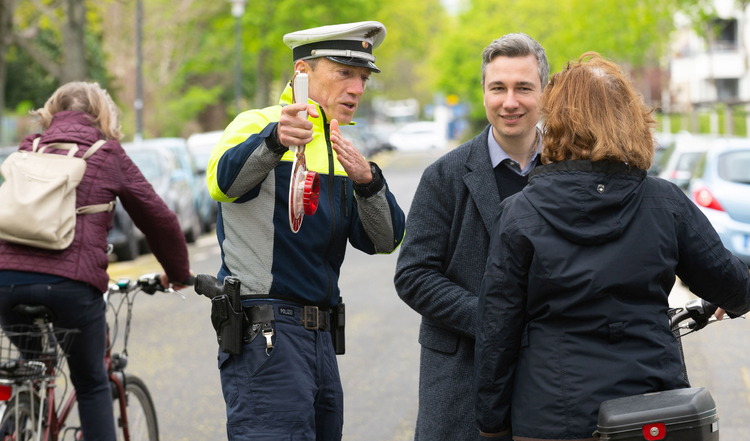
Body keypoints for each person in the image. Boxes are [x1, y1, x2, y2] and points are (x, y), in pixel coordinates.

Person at [473, 52, 750, 441]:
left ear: (554, 122)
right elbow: (734, 286)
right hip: (654, 412)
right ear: (630, 119)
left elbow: (498, 331)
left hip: (551, 416)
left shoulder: (520, 213)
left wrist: (492, 423)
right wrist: (732, 299)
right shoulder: (664, 202)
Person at [205, 21, 406, 441]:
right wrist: (274, 140)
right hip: (267, 335)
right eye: (344, 73)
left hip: (320, 339)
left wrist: (368, 182)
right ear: (302, 73)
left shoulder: (338, 147)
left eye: (363, 78)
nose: (357, 89)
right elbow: (222, 183)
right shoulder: (255, 123)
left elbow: (384, 241)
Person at [0, 81, 192, 441]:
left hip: (5, 280)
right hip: (70, 287)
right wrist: (177, 272)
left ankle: (20, 417)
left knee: (33, 367)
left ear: (51, 111)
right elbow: (157, 218)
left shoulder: (30, 147)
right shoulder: (107, 153)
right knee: (90, 382)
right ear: (102, 114)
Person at [394, 33, 549, 441]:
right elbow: (413, 275)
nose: (509, 101)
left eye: (523, 88)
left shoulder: (570, 170)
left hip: (552, 377)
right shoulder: (443, 176)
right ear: (483, 92)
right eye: (498, 88)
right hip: (461, 379)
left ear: (544, 93)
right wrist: (491, 319)